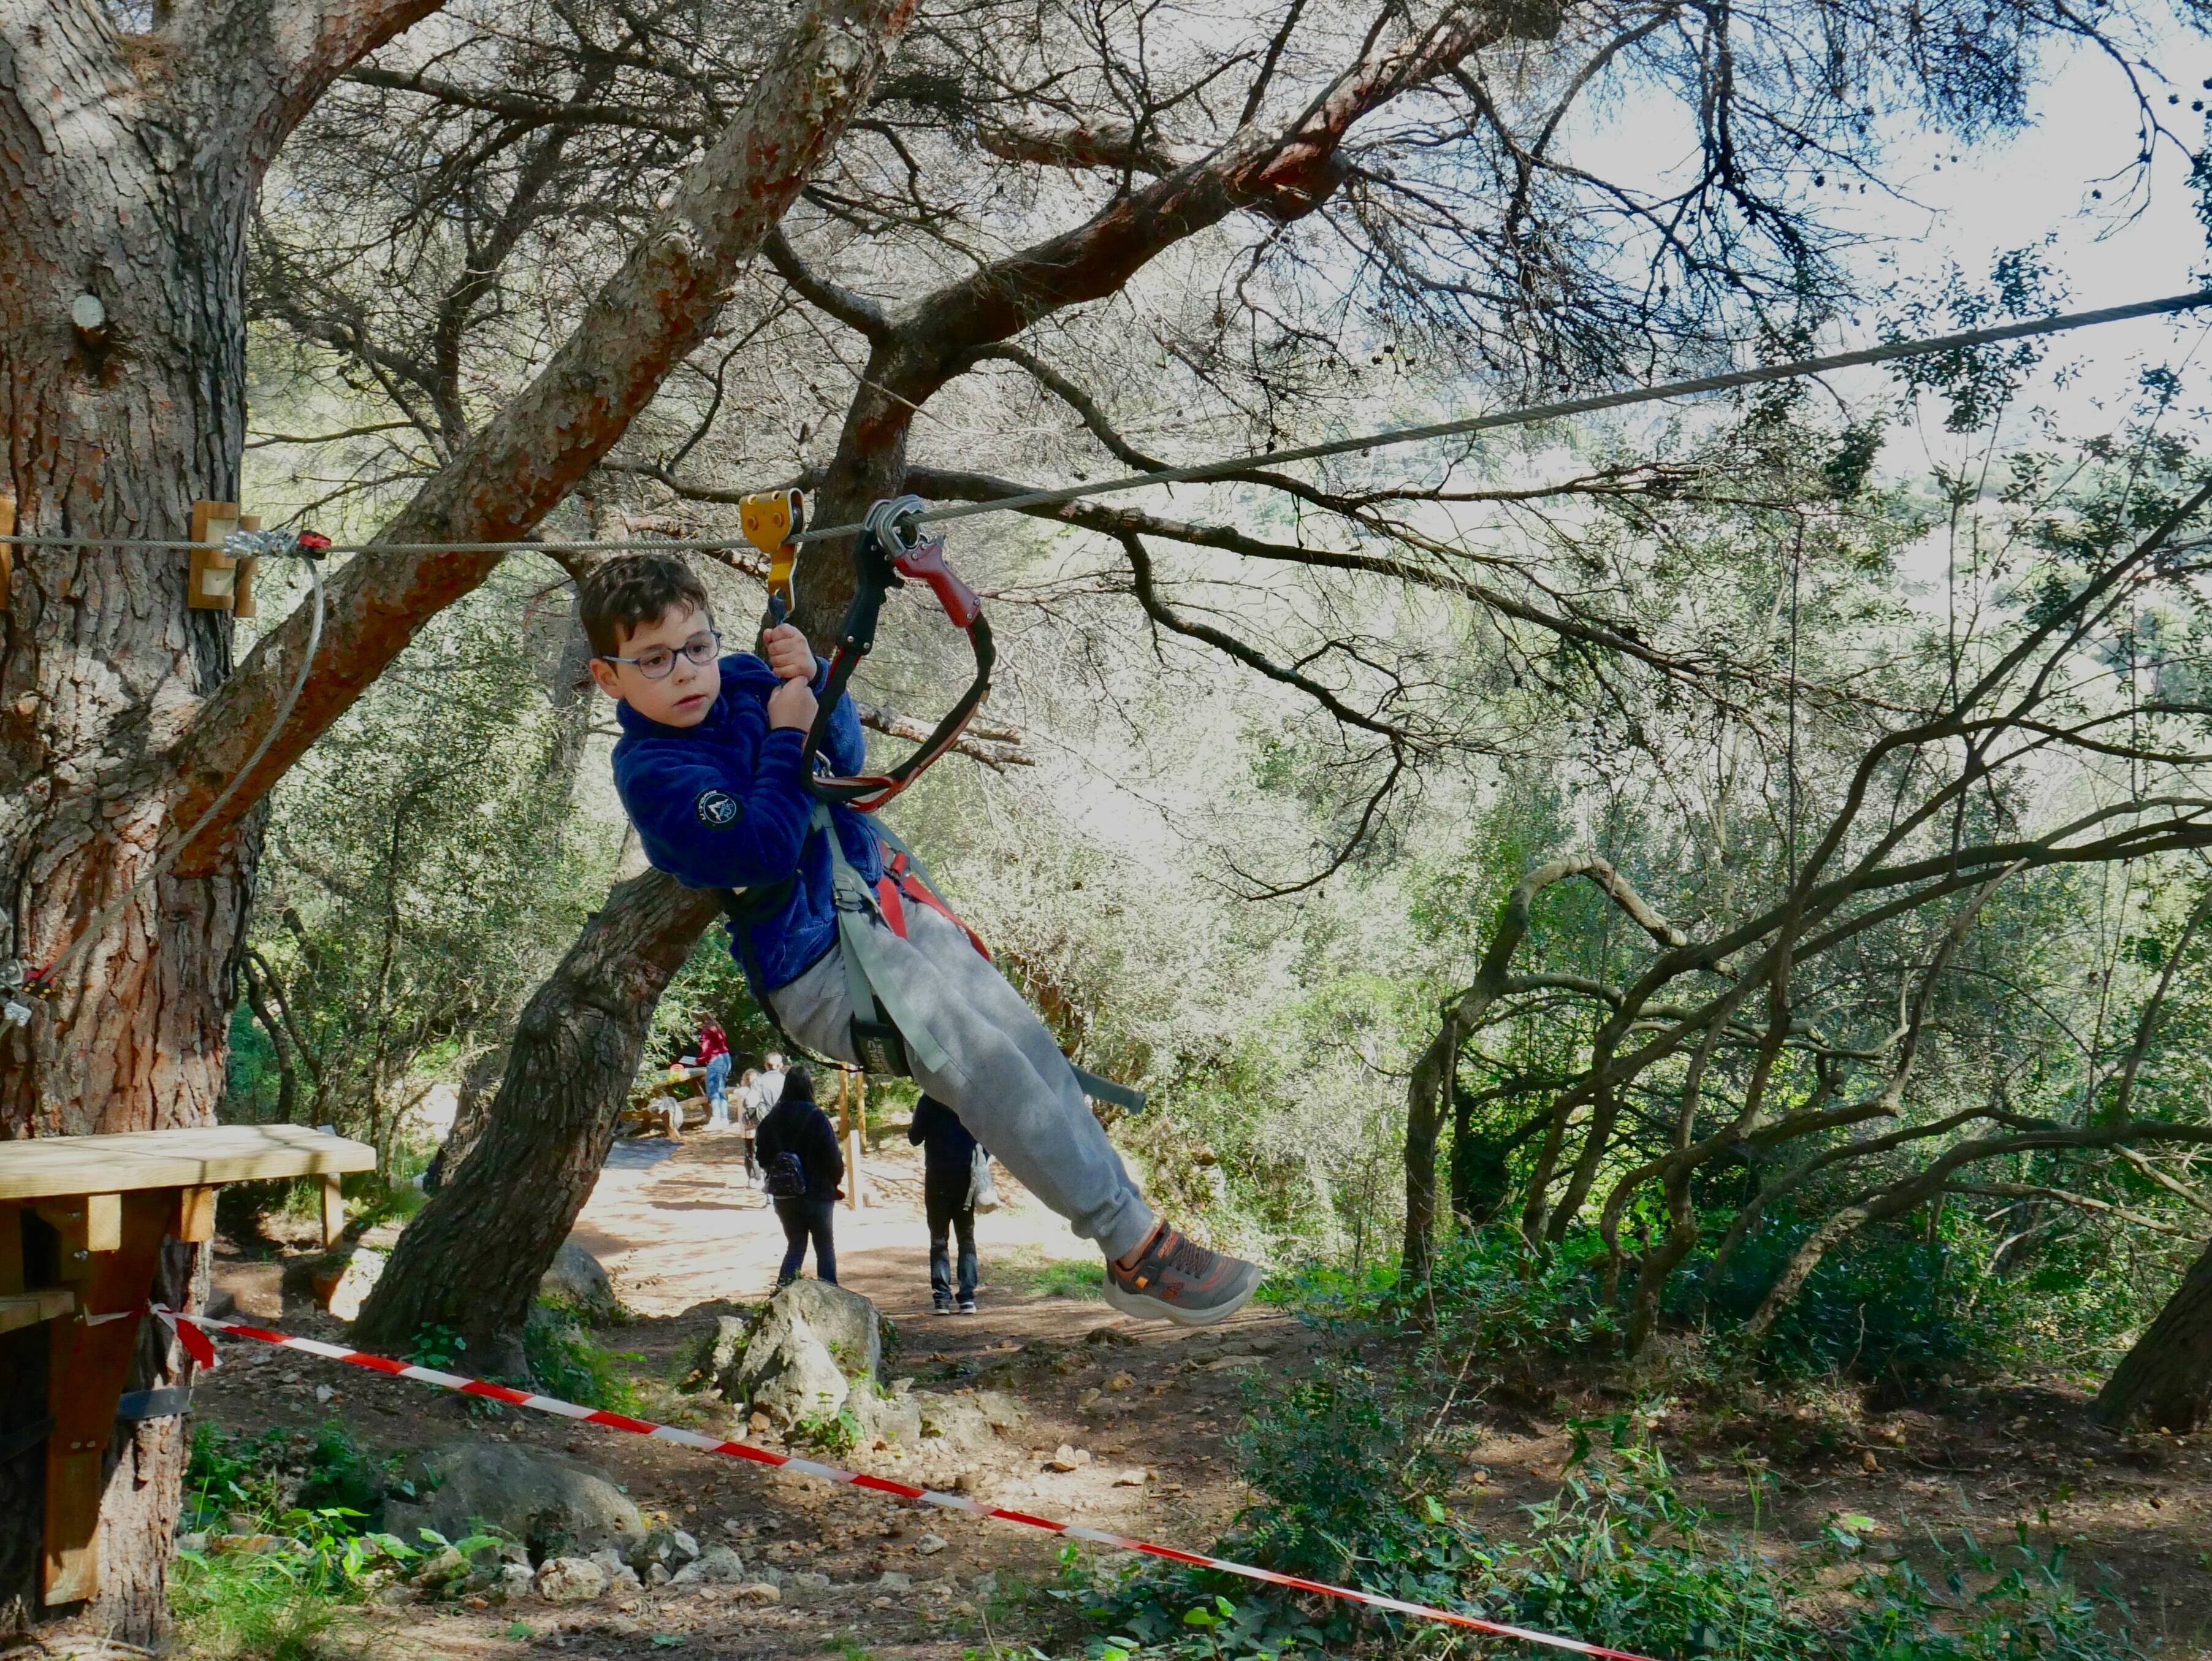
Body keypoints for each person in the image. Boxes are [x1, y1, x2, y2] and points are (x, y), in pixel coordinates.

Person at [582, 553, 1260, 1325]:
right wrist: (787, 729)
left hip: (882, 903)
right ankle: (1134, 1245)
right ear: (610, 677)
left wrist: (816, 682)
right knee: (982, 1061)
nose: (686, 672)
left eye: (696, 646)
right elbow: (765, 845)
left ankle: (1131, 1235)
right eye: (655, 660)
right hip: (821, 965)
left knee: (1027, 1045)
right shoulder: (651, 772)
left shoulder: (739, 678)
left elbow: (844, 758)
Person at [753, 1065, 841, 1286]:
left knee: (795, 1245)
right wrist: (835, 1180)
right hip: (818, 1192)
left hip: (784, 1195)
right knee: (824, 1247)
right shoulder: (816, 1117)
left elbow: (762, 1158)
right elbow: (832, 1157)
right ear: (809, 1087)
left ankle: (783, 1295)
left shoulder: (770, 1120)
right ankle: (830, 1298)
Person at [909, 1093, 981, 1314]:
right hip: (966, 1179)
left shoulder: (929, 1100)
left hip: (937, 1178)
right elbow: (985, 1136)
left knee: (939, 1239)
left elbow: (914, 1138)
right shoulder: (969, 1098)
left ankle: (942, 1299)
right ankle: (968, 1298)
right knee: (966, 1238)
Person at [698, 1020, 732, 1128]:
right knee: (721, 1091)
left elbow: (706, 1050)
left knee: (713, 1092)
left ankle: (716, 1119)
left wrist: (699, 1060)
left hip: (716, 1061)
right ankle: (724, 1118)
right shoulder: (717, 1028)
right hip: (726, 1058)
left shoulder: (707, 1031)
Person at [734, 1067, 765, 1185]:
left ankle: (751, 1177)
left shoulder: (740, 1092)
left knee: (748, 1152)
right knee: (756, 1151)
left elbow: (735, 1092)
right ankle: (758, 1176)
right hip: (757, 1125)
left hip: (745, 1127)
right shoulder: (758, 1092)